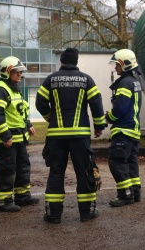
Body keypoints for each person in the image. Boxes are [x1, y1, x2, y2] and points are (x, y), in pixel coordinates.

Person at [36, 48, 106, 223]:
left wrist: (50, 118)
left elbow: (40, 102)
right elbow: (96, 104)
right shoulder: (86, 79)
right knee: (84, 171)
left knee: (56, 172)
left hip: (56, 136)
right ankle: (86, 212)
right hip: (80, 135)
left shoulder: (50, 79)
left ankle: (53, 215)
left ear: (62, 61)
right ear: (76, 62)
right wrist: (98, 126)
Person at [0, 56, 40, 212]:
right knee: (6, 170)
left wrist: (29, 125)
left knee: (23, 167)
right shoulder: (0, 89)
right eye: (17, 72)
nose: (20, 75)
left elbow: (20, 111)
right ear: (7, 72)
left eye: (20, 72)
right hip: (7, 141)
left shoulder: (13, 89)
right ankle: (4, 202)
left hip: (18, 139)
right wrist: (6, 136)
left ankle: (22, 196)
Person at [105, 49, 143, 207]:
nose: (115, 68)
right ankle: (135, 193)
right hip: (133, 131)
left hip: (123, 131)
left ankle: (125, 194)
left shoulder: (124, 83)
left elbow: (120, 108)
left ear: (125, 64)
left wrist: (109, 118)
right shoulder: (134, 82)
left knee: (117, 161)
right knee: (131, 162)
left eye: (117, 65)